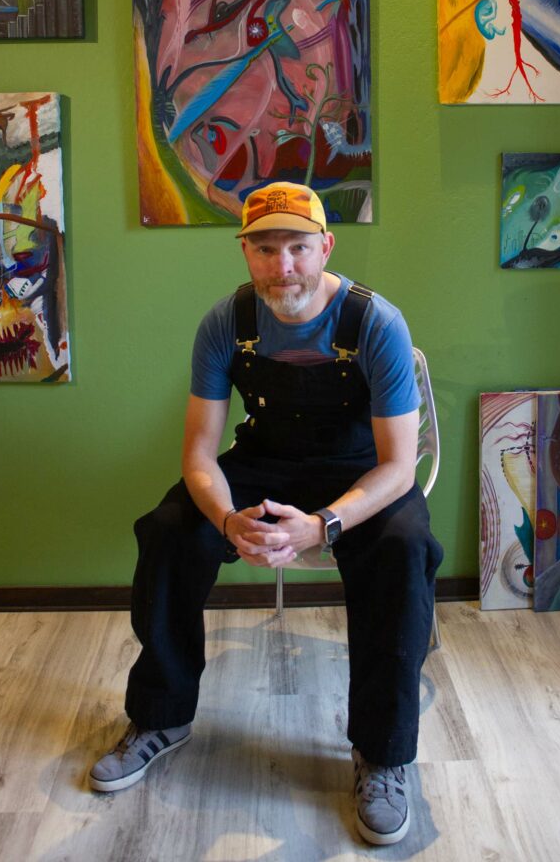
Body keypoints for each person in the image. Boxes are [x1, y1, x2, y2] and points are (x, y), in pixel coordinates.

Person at [89, 182, 443, 846]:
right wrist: (227, 520)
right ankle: (161, 716)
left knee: (403, 548)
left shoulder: (376, 323)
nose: (283, 266)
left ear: (325, 247)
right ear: (245, 251)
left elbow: (400, 466)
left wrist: (324, 524)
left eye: (298, 248)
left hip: (360, 472)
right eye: (265, 248)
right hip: (264, 461)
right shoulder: (226, 323)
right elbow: (199, 452)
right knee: (169, 531)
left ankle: (383, 755)